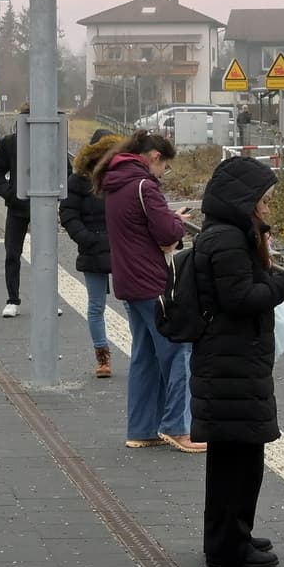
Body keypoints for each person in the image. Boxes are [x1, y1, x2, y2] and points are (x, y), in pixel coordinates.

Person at [189, 154, 284, 567]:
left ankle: (235, 534)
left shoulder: (230, 234)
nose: (268, 206)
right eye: (264, 199)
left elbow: (242, 286)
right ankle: (227, 548)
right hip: (230, 363)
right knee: (235, 460)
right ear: (245, 200)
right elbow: (240, 299)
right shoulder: (228, 240)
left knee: (242, 456)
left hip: (234, 361)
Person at [102, 130, 198, 451]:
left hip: (128, 281)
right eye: (165, 166)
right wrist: (176, 221)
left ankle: (142, 429)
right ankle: (177, 427)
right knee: (178, 350)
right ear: (155, 156)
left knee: (145, 356)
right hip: (153, 281)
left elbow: (137, 229)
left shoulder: (115, 183)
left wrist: (166, 218)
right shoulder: (145, 186)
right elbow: (167, 233)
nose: (163, 173)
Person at [67, 132, 120, 379]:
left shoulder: (122, 177)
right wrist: (87, 239)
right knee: (96, 305)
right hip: (94, 248)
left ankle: (142, 351)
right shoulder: (78, 180)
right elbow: (69, 215)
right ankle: (102, 356)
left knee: (132, 303)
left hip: (121, 248)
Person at [0, 125, 31, 313]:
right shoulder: (10, 142)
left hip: (44, 208)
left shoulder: (51, 139)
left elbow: (65, 171)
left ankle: (48, 300)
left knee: (47, 256)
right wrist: (9, 193)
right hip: (17, 207)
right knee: (12, 253)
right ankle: (13, 299)